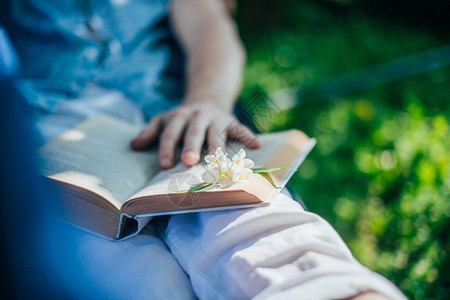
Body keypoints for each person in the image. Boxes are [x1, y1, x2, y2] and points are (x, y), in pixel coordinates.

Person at [1, 0, 406, 299]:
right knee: (128, 275)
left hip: (177, 108)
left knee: (259, 225)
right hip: (51, 142)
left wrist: (208, 101)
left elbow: (209, 20)